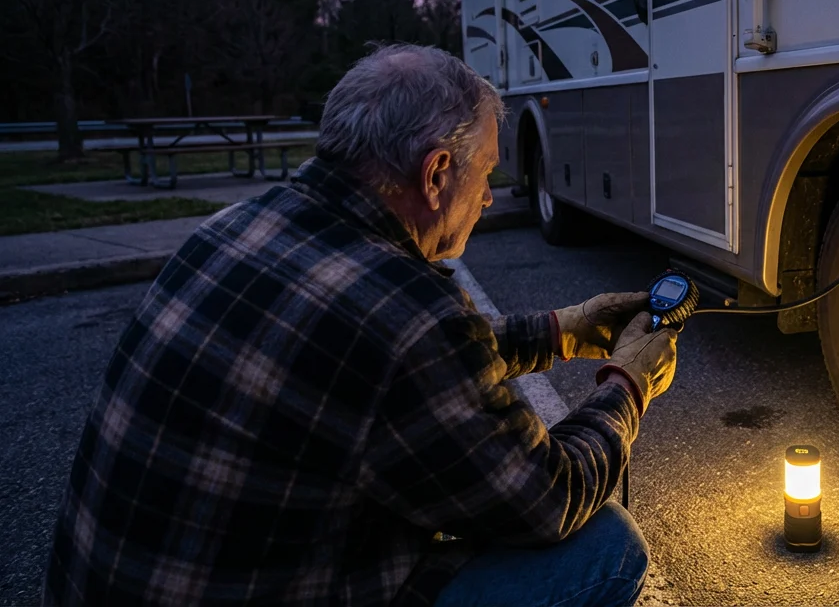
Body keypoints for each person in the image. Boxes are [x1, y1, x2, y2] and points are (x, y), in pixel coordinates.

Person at [43, 44, 678, 607]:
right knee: (603, 548)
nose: (489, 196)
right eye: (485, 172)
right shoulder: (409, 315)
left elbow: (375, 364)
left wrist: (561, 329)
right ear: (436, 175)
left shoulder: (232, 228)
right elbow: (549, 498)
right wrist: (626, 382)